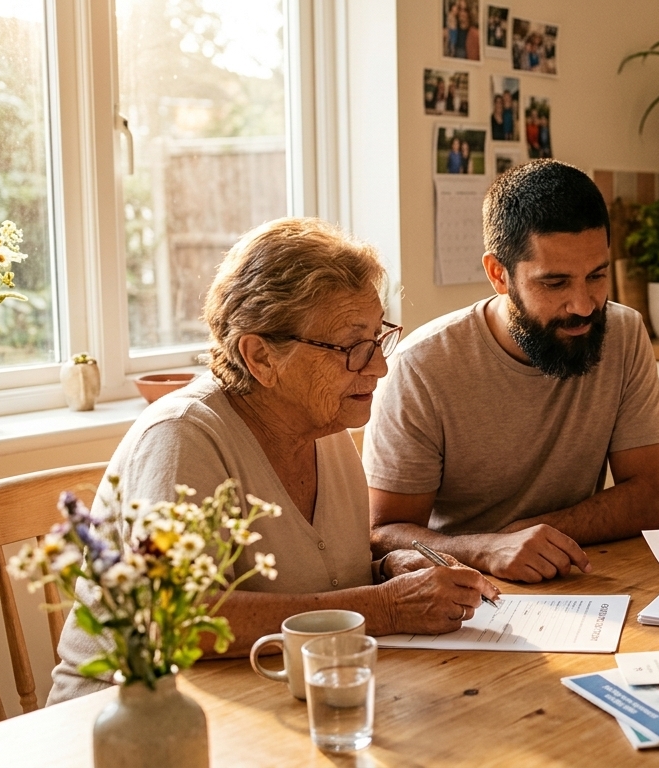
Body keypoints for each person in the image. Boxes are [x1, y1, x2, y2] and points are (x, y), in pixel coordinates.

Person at [48, 218, 499, 703]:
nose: (379, 366)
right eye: (352, 347)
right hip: (131, 717)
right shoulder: (181, 437)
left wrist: (386, 568)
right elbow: (181, 621)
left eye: (377, 338)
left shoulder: (325, 425)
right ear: (260, 356)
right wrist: (385, 607)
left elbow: (312, 576)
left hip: (268, 696)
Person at [367, 160, 659, 583]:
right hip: (465, 591)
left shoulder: (622, 332)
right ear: (499, 274)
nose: (583, 305)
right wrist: (487, 548)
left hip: (578, 576)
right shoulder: (422, 365)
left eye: (597, 276)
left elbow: (652, 499)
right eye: (555, 283)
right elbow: (383, 534)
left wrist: (529, 534)